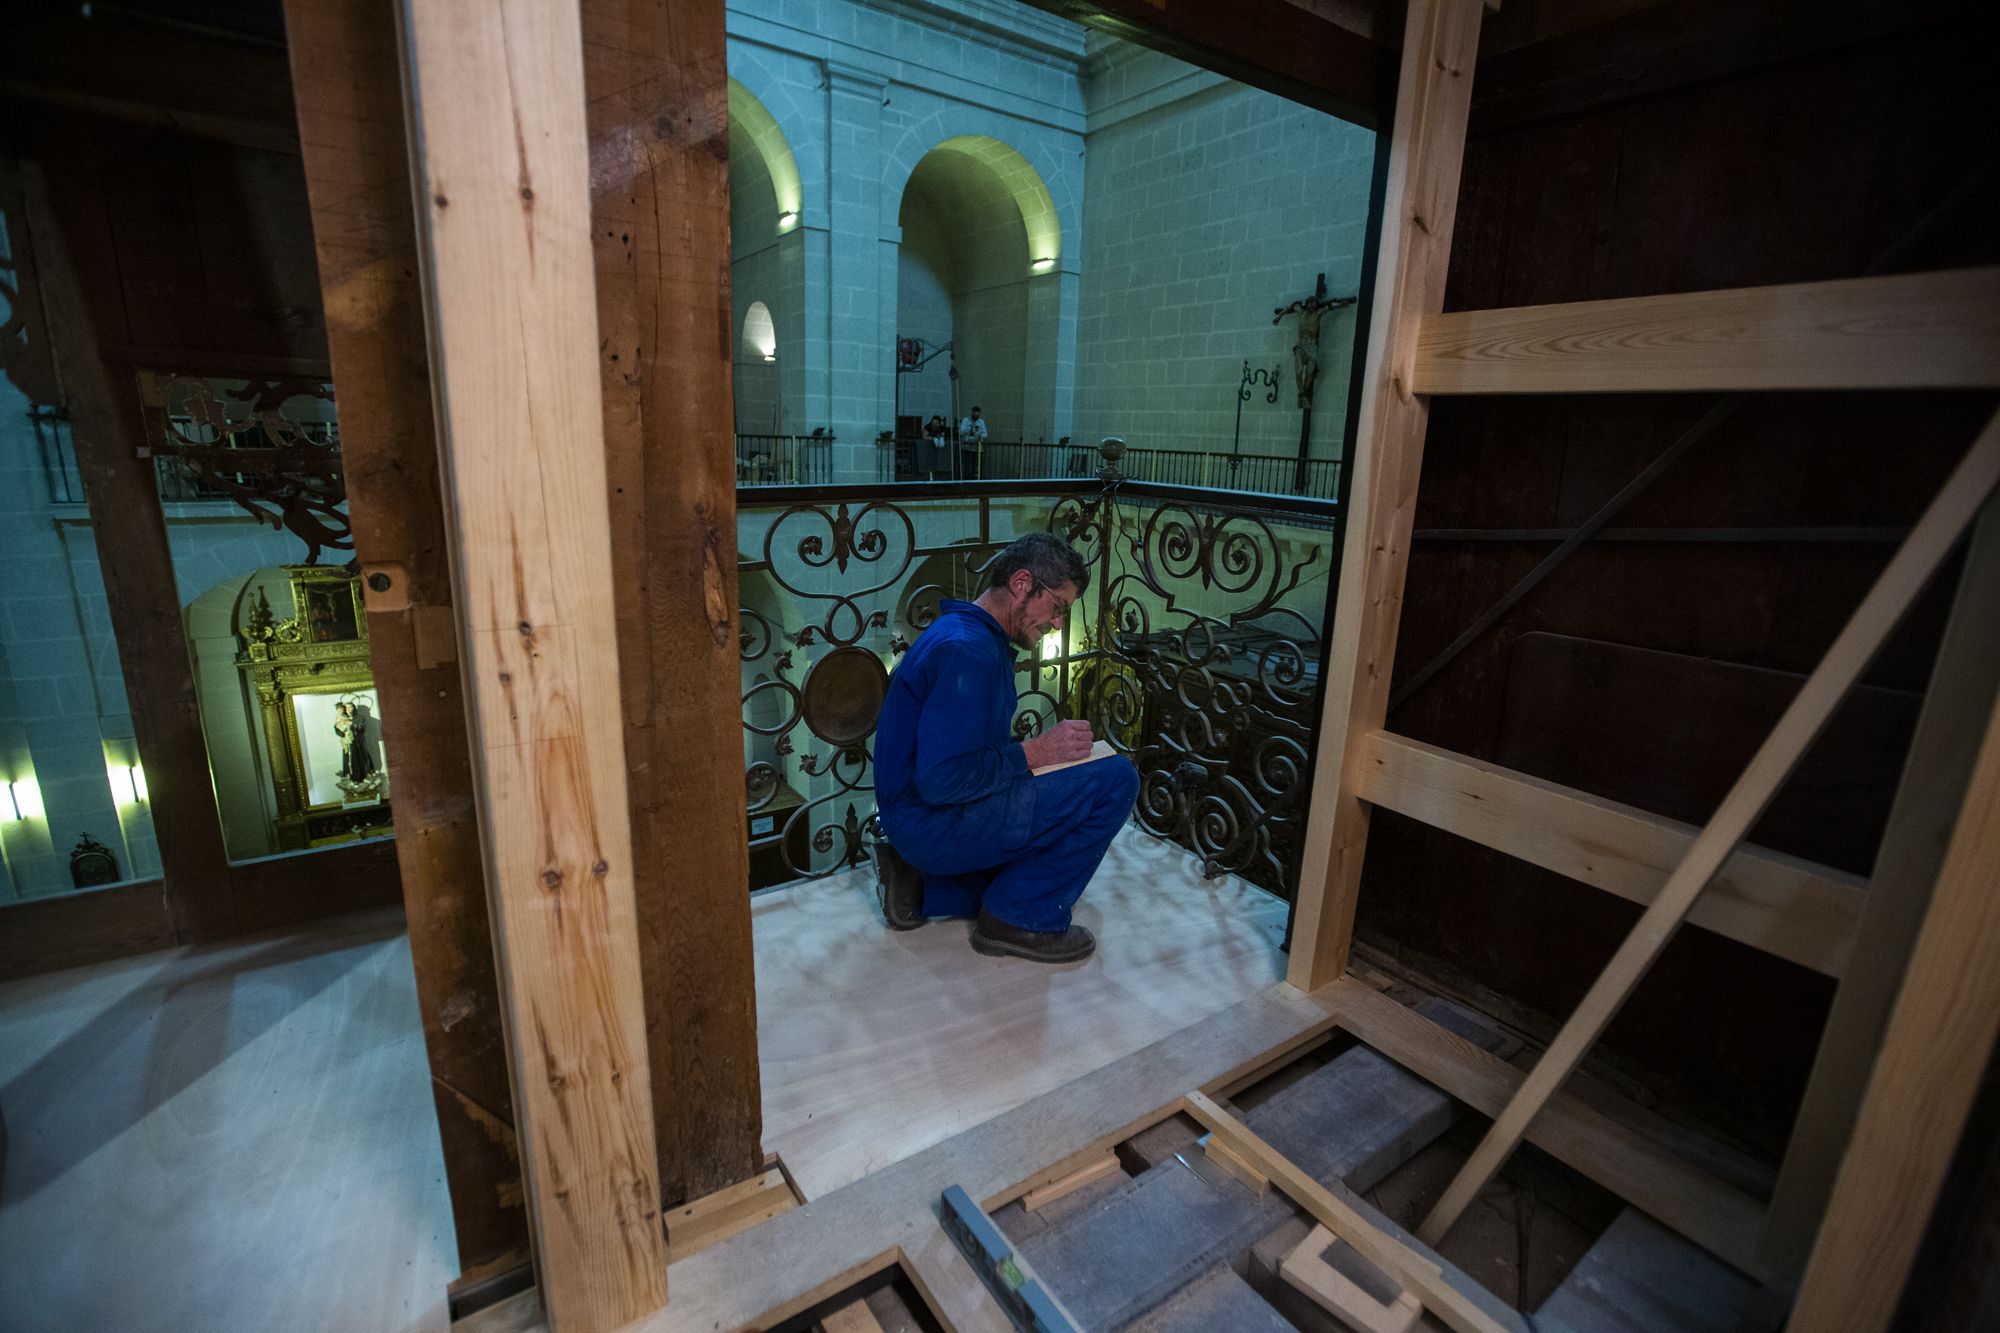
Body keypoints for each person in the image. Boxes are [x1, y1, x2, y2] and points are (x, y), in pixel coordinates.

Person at [871, 533, 1138, 962]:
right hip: (930, 822)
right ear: (1021, 584)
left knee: (1051, 821)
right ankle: (1020, 918)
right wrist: (1037, 753)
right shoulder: (969, 652)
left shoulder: (967, 635)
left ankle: (919, 885)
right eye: (1058, 607)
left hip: (918, 820)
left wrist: (1038, 758)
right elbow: (942, 781)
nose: (1057, 624)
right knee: (1116, 779)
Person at [956, 405, 988, 480]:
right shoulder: (965, 420)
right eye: (975, 414)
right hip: (966, 447)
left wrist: (979, 435)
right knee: (966, 465)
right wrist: (970, 428)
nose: (976, 416)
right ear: (972, 413)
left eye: (978, 415)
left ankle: (974, 479)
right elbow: (960, 432)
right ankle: (965, 479)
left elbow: (985, 434)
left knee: (974, 465)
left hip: (976, 447)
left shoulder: (981, 421)